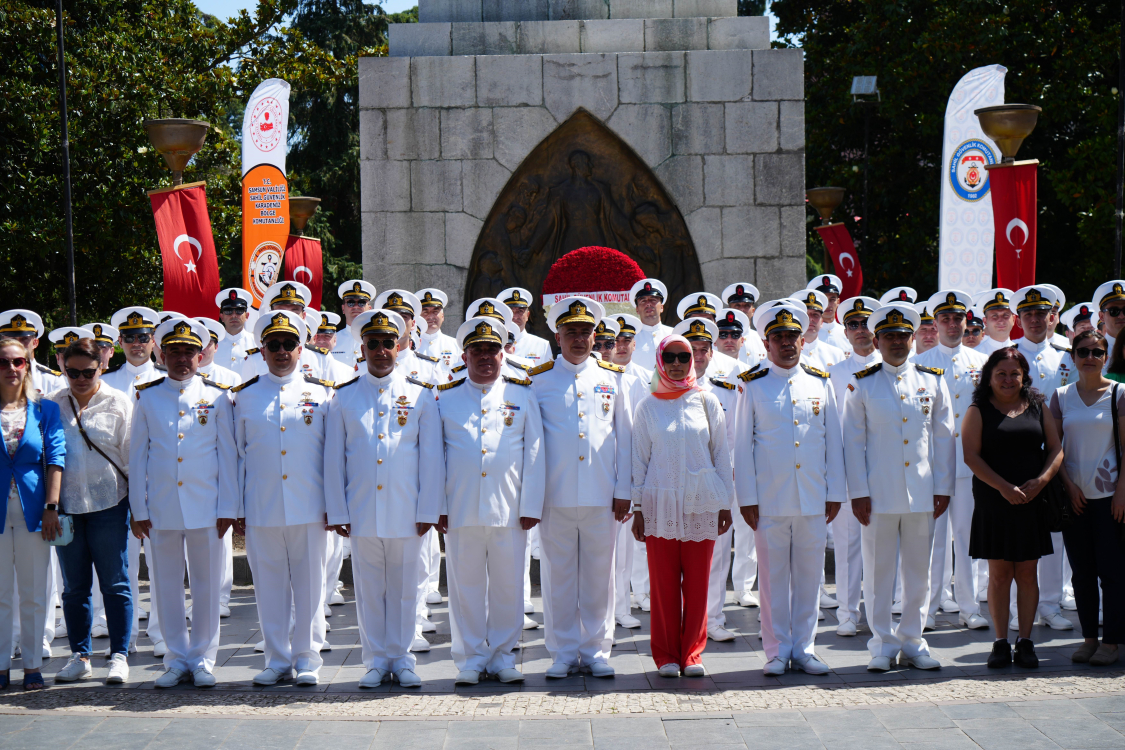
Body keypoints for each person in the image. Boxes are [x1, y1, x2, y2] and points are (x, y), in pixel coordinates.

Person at [324, 309, 443, 689]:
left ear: (400, 345)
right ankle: (376, 659)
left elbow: (431, 459)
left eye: (387, 343)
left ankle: (403, 658)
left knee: (408, 590)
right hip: (361, 512)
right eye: (372, 343)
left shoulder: (421, 395)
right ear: (362, 348)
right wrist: (337, 509)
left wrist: (429, 508)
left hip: (408, 511)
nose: (380, 350)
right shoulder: (343, 397)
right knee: (370, 591)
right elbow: (333, 460)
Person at [842, 303, 955, 672]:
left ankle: (913, 640)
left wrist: (944, 487)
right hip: (878, 495)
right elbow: (852, 442)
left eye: (902, 335)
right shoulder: (863, 382)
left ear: (912, 338)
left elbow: (943, 438)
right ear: (876, 340)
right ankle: (882, 644)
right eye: (888, 336)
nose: (896, 342)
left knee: (918, 573)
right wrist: (857, 492)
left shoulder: (932, 380)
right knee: (877, 573)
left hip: (923, 492)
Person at [436, 317, 544, 685]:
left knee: (508, 587)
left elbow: (535, 454)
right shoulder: (446, 398)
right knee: (465, 588)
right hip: (461, 507)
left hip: (510, 509)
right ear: (464, 355)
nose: (485, 357)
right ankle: (470, 656)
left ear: (504, 353)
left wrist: (531, 505)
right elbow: (436, 458)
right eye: (477, 350)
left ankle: (502, 655)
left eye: (492, 350)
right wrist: (437, 506)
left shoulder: (522, 394)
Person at [129, 318, 236, 688]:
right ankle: (175, 658)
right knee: (165, 586)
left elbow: (228, 455)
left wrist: (228, 508)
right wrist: (138, 510)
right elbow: (138, 457)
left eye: (189, 351)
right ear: (161, 353)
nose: (181, 359)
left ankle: (204, 658)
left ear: (201, 354)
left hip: (207, 508)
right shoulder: (147, 395)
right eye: (173, 351)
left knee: (207, 587)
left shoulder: (218, 395)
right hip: (161, 509)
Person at [736, 302, 843, 675]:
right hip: (770, 500)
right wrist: (747, 498)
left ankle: (806, 647)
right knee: (772, 580)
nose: (786, 344)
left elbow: (833, 442)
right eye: (778, 338)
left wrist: (835, 493)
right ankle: (777, 650)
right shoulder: (753, 384)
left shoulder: (820, 381)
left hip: (813, 498)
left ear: (802, 339)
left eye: (791, 337)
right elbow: (742, 446)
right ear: (766, 344)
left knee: (810, 578)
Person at [531, 296, 632, 679]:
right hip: (554, 497)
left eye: (585, 332)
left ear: (595, 336)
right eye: (570, 332)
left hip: (602, 496)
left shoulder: (612, 377)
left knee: (598, 576)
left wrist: (625, 491)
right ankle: (561, 650)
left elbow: (626, 438)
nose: (579, 339)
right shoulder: (537, 380)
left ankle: (595, 650)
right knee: (558, 577)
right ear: (557, 336)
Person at [233, 311, 333, 686]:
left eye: (288, 344)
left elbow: (332, 455)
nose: (281, 351)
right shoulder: (244, 397)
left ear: (301, 347)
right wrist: (238, 508)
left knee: (310, 587)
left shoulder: (321, 393)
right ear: (262, 349)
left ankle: (307, 658)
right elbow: (236, 457)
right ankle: (276, 658)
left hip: (310, 506)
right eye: (273, 345)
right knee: (270, 587)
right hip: (263, 506)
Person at [631, 334, 733, 677]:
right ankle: (666, 655)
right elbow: (639, 460)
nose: (677, 364)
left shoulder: (707, 401)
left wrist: (725, 503)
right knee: (662, 585)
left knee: (698, 583)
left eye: (684, 357)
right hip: (659, 505)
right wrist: (638, 508)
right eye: (670, 357)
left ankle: (692, 653)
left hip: (701, 503)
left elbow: (721, 454)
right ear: (660, 361)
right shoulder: (647, 406)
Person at [963, 346, 1062, 668]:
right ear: (988, 377)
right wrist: (1004, 488)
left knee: (1028, 573)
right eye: (1001, 374)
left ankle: (1027, 641)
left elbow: (1056, 449)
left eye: (1014, 374)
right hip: (996, 500)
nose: (1008, 379)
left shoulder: (1037, 405)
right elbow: (971, 457)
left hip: (1032, 499)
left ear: (1024, 377)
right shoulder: (978, 409)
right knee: (999, 575)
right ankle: (1001, 642)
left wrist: (1042, 480)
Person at [48, 339, 133, 686]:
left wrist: (139, 509)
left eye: (88, 371)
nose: (80, 378)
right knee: (74, 588)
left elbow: (131, 458)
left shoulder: (119, 403)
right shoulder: (53, 404)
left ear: (102, 367)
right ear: (63, 369)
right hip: (68, 507)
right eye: (72, 372)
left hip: (110, 504)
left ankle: (119, 655)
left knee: (115, 584)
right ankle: (80, 655)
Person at [911, 291, 989, 630]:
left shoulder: (981, 363)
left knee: (968, 539)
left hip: (971, 466)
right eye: (945, 319)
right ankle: (926, 608)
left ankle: (969, 607)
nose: (953, 324)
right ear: (936, 323)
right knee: (931, 541)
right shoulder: (920, 364)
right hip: (932, 468)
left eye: (958, 318)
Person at [1051, 330, 1125, 666]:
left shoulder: (1119, 394)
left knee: (1112, 572)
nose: (1090, 358)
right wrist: (1067, 486)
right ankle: (1088, 639)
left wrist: (1121, 493)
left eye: (1097, 351)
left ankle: (1111, 642)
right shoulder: (1061, 396)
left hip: (1111, 497)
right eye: (1083, 352)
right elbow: (1054, 449)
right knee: (1081, 572)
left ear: (1106, 355)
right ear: (1073, 356)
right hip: (1075, 496)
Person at [671, 320, 742, 643]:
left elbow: (732, 441)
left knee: (717, 555)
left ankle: (712, 619)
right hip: (674, 484)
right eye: (692, 351)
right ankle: (680, 622)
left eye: (703, 350)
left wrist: (728, 492)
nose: (697, 357)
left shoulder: (727, 389)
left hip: (712, 486)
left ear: (712, 353)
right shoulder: (661, 388)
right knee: (676, 560)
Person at [0, 337, 64, 690]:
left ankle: (32, 666)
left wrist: (51, 507)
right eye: (3, 362)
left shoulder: (44, 409)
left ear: (27, 364)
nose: (11, 369)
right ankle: (0, 666)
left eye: (18, 362)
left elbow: (56, 460)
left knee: (33, 591)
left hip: (34, 509)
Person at [827, 296, 882, 637]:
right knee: (847, 547)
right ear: (845, 332)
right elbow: (830, 429)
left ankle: (880, 613)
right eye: (853, 325)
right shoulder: (833, 373)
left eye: (865, 324)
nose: (860, 331)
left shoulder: (892, 365)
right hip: (847, 472)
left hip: (883, 469)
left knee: (882, 546)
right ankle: (847, 614)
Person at [0, 311, 65, 398]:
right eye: (13, 339)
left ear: (35, 343)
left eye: (24, 339)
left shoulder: (53, 381)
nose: (19, 344)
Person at [500, 287, 552, 369]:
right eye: (511, 312)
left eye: (520, 311)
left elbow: (548, 378)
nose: (515, 317)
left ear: (527, 315)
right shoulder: (495, 344)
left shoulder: (542, 345)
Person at [793, 290, 846, 370]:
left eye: (815, 315)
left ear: (822, 321)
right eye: (806, 315)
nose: (811, 319)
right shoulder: (788, 354)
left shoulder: (836, 354)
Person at [629, 279, 673, 373]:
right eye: (643, 301)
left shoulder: (674, 334)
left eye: (653, 300)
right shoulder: (630, 338)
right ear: (637, 309)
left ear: (661, 307)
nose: (648, 304)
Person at [332, 280, 376, 366]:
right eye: (351, 303)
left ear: (369, 308)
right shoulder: (332, 340)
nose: (356, 307)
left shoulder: (377, 340)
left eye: (361, 303)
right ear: (343, 308)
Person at [721, 283, 767, 364]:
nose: (742, 309)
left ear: (753, 311)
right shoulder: (719, 340)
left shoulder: (762, 339)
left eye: (747, 305)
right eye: (737, 305)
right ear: (729, 310)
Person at [415, 288, 461, 367]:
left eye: (435, 312)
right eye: (425, 312)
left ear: (442, 316)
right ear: (418, 317)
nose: (430, 316)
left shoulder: (456, 346)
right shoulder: (410, 346)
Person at [807, 276, 851, 353]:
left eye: (832, 299)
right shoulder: (808, 333)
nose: (828, 305)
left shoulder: (848, 334)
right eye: (824, 300)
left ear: (838, 302)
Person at [214, 288, 255, 371]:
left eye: (239, 311)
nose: (233, 315)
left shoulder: (257, 343)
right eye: (228, 311)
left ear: (247, 316)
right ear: (221, 317)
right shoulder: (212, 345)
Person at [975, 289, 1016, 356]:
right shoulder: (976, 355)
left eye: (1005, 315)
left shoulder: (1023, 353)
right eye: (994, 316)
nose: (1001, 320)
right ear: (985, 322)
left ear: (1013, 319)